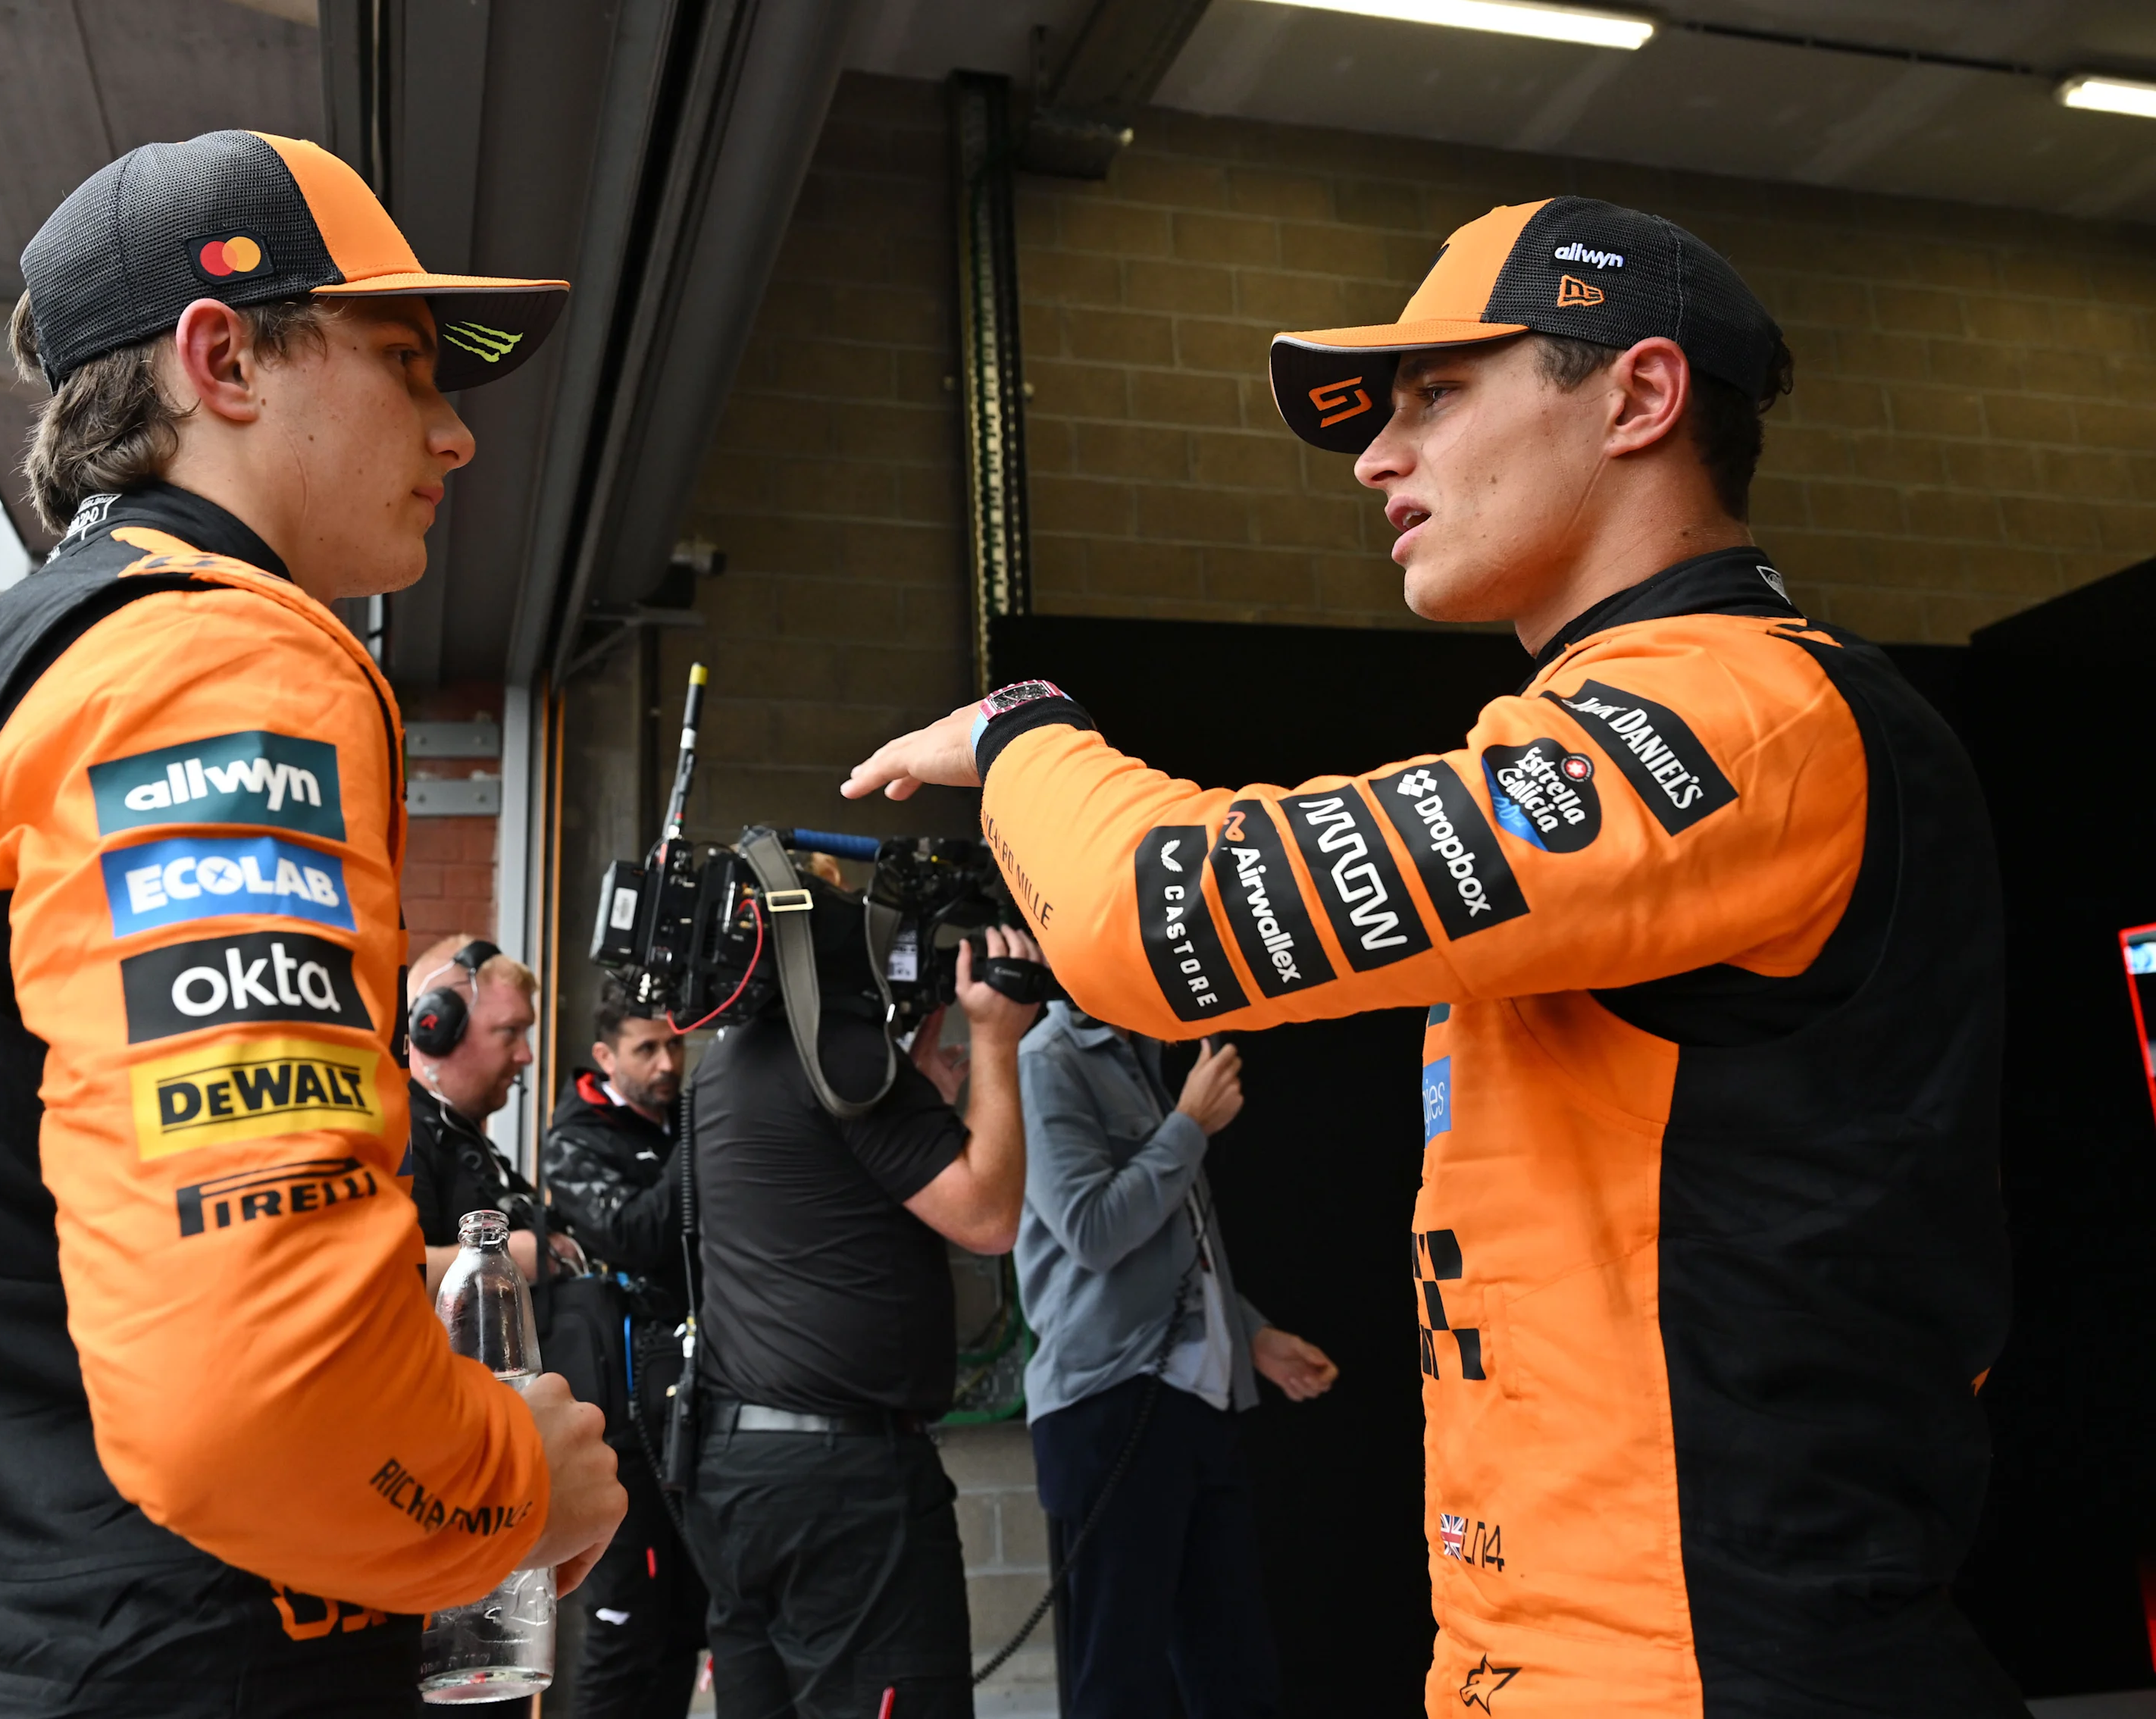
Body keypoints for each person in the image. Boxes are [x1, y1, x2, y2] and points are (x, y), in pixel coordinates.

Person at [846, 196, 2020, 1714]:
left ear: (1641, 398)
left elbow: (1161, 921)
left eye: (1436, 395)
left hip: (1711, 1663)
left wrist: (1019, 736)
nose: (1375, 458)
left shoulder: (1743, 718)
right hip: (1559, 1649)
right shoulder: (1635, 722)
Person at [0, 130, 621, 1718]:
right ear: (220, 357)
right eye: (404, 361)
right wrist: (516, 1488)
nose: (457, 436)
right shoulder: (213, 664)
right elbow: (260, 1394)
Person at [683, 878, 1042, 1719]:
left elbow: (833, 1184)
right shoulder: (839, 1057)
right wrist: (994, 1043)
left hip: (738, 1473)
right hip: (843, 1489)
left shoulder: (727, 1064)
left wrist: (914, 1087)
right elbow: (988, 1218)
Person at [1015, 1011, 1335, 1717]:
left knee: (1235, 1674)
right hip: (1112, 1404)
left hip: (1196, 1401)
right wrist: (1189, 1125)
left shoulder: (1144, 1051)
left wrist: (1249, 1333)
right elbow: (1093, 1232)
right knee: (1120, 1682)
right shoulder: (1048, 1058)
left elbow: (1175, 1230)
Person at [538, 986, 703, 1719]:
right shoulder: (575, 1138)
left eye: (676, 1045)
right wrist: (700, 1140)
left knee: (681, 1629)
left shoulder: (679, 1123)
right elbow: (636, 1235)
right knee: (625, 1629)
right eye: (648, 1049)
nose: (668, 1064)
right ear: (605, 1056)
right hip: (621, 1424)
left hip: (693, 1412)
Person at [402, 935, 584, 1286]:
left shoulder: (457, 1131)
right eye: (509, 1031)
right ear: (435, 1029)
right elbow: (390, 1278)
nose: (526, 1055)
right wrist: (511, 1259)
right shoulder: (399, 1133)